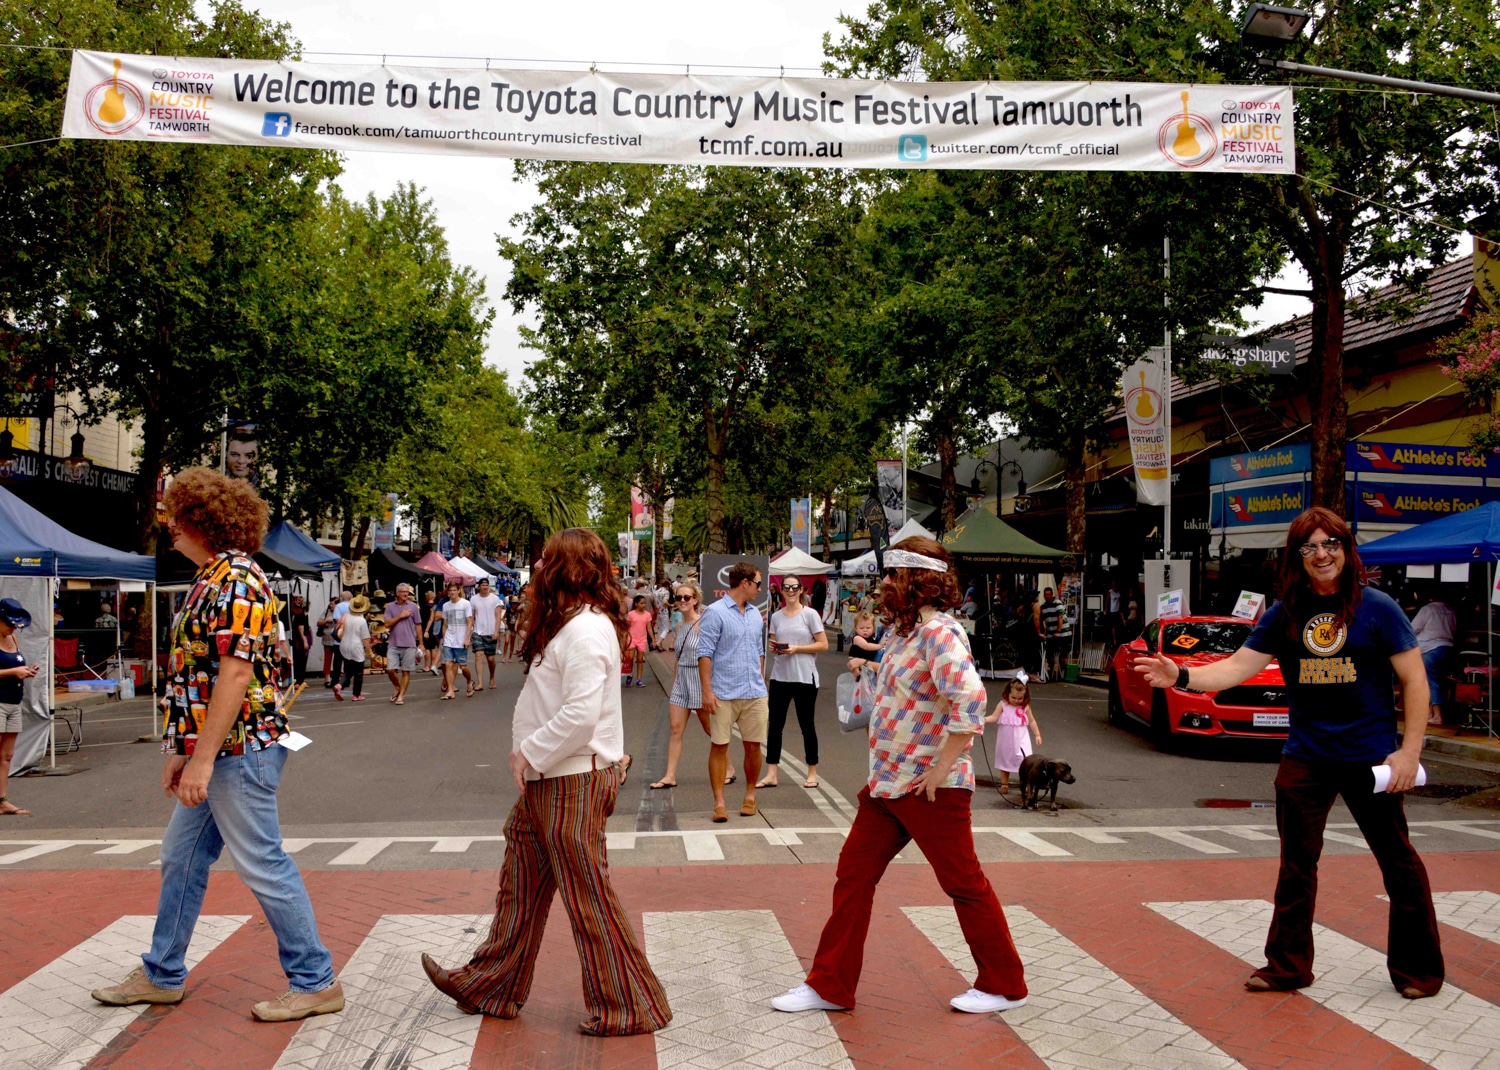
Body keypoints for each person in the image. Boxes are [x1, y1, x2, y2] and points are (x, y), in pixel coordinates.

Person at [1133, 505, 1442, 998]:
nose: (1322, 555)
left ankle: (1419, 972)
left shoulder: (1378, 607)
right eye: (1310, 547)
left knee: (1399, 864)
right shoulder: (1286, 613)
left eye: (1331, 544)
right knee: (1297, 868)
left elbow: (1415, 680)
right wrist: (1182, 676)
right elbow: (1235, 668)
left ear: (1346, 549)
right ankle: (1288, 967)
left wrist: (1408, 753)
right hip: (1307, 758)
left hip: (1372, 758)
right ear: (1297, 557)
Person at [91, 468, 342, 1021]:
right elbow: (196, 678)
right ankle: (162, 973)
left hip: (241, 748)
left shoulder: (235, 580)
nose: (167, 525)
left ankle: (315, 979)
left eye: (174, 515)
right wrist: (183, 751)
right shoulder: (216, 576)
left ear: (198, 520)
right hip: (228, 747)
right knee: (182, 856)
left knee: (262, 862)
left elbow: (233, 676)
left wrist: (199, 757)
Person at [420, 528, 670, 1036]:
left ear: (567, 569)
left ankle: (629, 1005)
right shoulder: (577, 624)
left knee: (587, 896)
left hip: (569, 779)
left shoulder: (583, 631)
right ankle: (492, 984)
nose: (536, 568)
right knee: (524, 883)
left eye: (546, 560)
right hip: (555, 777)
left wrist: (529, 754)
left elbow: (579, 715)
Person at [772, 536, 1028, 1016]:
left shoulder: (940, 634)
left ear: (917, 580)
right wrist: (867, 668)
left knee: (963, 883)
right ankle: (829, 985)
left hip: (930, 788)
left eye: (893, 575)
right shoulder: (901, 633)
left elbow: (971, 700)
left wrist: (941, 767)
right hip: (888, 783)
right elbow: (906, 691)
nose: (884, 583)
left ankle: (1004, 985)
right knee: (853, 876)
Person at [697, 561, 770, 822]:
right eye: (758, 583)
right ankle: (719, 803)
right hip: (723, 692)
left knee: (754, 746)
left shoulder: (754, 613)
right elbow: (704, 653)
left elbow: (760, 650)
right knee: (719, 746)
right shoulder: (715, 613)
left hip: (754, 692)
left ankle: (750, 795)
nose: (761, 589)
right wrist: (707, 691)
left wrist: (761, 682)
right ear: (745, 583)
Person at [758, 578, 828, 790]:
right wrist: (776, 648)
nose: (790, 590)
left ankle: (812, 772)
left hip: (805, 677)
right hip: (780, 677)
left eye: (794, 587)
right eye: (786, 587)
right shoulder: (776, 616)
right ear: (780, 591)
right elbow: (772, 641)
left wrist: (797, 649)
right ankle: (771, 773)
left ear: (801, 590)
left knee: (807, 725)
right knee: (774, 726)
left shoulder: (810, 614)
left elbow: (823, 644)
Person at [649, 582, 712, 791]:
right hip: (681, 680)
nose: (682, 601)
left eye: (687, 597)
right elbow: (678, 657)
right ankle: (669, 776)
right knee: (675, 729)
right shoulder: (678, 626)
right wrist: (673, 683)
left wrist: (709, 688)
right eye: (679, 598)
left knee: (710, 728)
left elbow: (711, 657)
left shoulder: (703, 624)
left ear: (695, 600)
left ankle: (728, 768)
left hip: (698, 678)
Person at [0, 598, 40, 816]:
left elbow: (15, 664)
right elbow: (8, 669)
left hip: (14, 701)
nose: (13, 628)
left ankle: (2, 800)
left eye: (15, 625)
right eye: (9, 624)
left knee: (7, 755)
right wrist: (12, 672)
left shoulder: (13, 638)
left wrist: (26, 670)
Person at [985, 677, 1042, 794]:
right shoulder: (1003, 705)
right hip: (1006, 740)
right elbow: (994, 717)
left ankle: (1027, 784)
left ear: (1025, 696)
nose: (1016, 700)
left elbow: (1032, 721)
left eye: (1020, 698)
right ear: (1007, 693)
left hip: (1021, 739)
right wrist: (982, 720)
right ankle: (1004, 784)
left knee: (1025, 760)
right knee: (1005, 759)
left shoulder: (1025, 707)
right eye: (1013, 697)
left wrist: (1037, 735)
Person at [1411, 592, 1457, 726]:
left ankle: (1437, 715)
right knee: (1442, 682)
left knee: (1431, 682)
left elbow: (1413, 628)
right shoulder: (1450, 610)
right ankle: (1431, 712)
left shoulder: (1427, 609)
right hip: (1448, 647)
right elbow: (1455, 628)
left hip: (1430, 649)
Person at [383, 584, 421, 704]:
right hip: (393, 643)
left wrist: (421, 643)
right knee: (390, 670)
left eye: (407, 592)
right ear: (397, 593)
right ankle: (397, 687)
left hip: (409, 643)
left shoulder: (413, 606)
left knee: (406, 671)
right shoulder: (390, 607)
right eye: (403, 592)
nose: (405, 594)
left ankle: (401, 696)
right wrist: (400, 616)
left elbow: (418, 624)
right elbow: (387, 624)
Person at [440, 581, 475, 699]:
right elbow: (444, 624)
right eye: (450, 591)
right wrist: (444, 639)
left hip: (461, 639)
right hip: (449, 639)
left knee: (463, 666)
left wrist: (467, 638)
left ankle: (469, 681)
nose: (452, 593)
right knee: (448, 664)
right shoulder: (446, 606)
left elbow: (470, 621)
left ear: (458, 590)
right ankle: (450, 690)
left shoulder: (465, 604)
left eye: (454, 590)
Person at [335, 595, 372, 701]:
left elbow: (339, 625)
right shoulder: (361, 621)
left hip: (344, 644)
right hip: (356, 646)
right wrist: (369, 651)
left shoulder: (346, 615)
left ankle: (340, 685)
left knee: (349, 669)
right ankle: (356, 694)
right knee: (358, 671)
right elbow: (365, 638)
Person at [470, 578, 504, 689]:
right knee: (478, 656)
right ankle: (480, 682)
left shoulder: (495, 599)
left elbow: (498, 616)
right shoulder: (474, 599)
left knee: (490, 659)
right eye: (482, 585)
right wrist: (469, 630)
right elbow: (472, 616)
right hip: (477, 631)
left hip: (491, 632)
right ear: (479, 587)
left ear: (489, 586)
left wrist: (496, 631)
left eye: (486, 585)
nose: (484, 587)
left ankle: (492, 677)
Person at [625, 595, 654, 687]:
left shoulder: (647, 614)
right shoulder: (631, 614)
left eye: (645, 603)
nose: (644, 605)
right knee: (630, 658)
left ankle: (639, 679)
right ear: (636, 604)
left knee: (640, 659)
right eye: (641, 603)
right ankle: (629, 674)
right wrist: (624, 639)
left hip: (642, 639)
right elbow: (627, 627)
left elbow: (649, 628)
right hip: (631, 638)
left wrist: (653, 639)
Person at [1038, 587, 1063, 680]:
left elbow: (1060, 616)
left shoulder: (1057, 603)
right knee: (1049, 653)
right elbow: (1041, 620)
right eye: (1045, 594)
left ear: (1052, 594)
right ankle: (1052, 671)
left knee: (1061, 653)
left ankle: (1061, 673)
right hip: (1050, 634)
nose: (1047, 596)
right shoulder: (1043, 606)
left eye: (1049, 594)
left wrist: (1058, 631)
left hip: (1061, 633)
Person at [317, 597, 340, 687]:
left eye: (332, 604)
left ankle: (337, 677)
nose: (330, 605)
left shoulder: (340, 612)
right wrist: (326, 620)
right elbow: (318, 622)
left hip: (338, 638)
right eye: (330, 603)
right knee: (327, 659)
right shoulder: (326, 612)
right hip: (327, 638)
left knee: (338, 659)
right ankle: (327, 678)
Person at [290, 596, 310, 684]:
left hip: (296, 639)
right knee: (301, 660)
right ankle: (300, 680)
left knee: (297, 660)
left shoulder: (294, 615)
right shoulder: (301, 616)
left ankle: (297, 680)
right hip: (300, 641)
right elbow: (301, 629)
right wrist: (305, 641)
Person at [422, 589, 442, 673]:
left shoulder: (426, 607)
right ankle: (433, 664)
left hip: (428, 627)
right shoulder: (436, 606)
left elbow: (429, 619)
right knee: (433, 648)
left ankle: (427, 666)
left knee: (427, 648)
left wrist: (426, 630)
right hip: (435, 628)